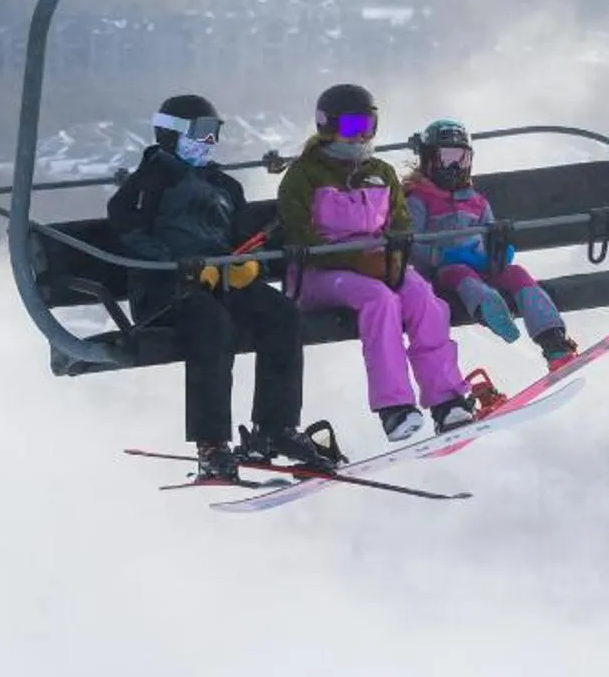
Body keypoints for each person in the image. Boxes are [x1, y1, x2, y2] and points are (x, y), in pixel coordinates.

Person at [108, 94, 338, 482]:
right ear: (171, 134)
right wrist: (175, 266)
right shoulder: (151, 181)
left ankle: (275, 427)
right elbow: (126, 226)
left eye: (214, 133)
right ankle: (211, 444)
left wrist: (242, 262)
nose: (209, 142)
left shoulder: (224, 185)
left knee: (281, 314)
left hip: (220, 284)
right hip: (166, 294)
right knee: (212, 325)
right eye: (201, 133)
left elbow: (240, 236)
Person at [273, 82, 478, 444]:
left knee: (423, 298)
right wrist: (357, 260)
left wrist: (392, 259)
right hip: (319, 275)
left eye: (369, 127)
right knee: (379, 299)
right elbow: (300, 235)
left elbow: (399, 224)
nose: (362, 136)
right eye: (354, 127)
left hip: (379, 265)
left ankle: (446, 400)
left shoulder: (380, 172)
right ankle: (395, 408)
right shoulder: (304, 175)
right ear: (328, 125)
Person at [403, 119, 580, 367]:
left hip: (483, 266)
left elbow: (490, 234)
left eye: (462, 158)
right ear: (429, 159)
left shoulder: (477, 202)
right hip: (443, 272)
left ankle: (554, 340)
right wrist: (438, 256)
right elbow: (411, 243)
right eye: (448, 157)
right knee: (460, 273)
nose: (455, 165)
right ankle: (489, 308)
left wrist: (499, 249)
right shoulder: (418, 199)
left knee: (517, 274)